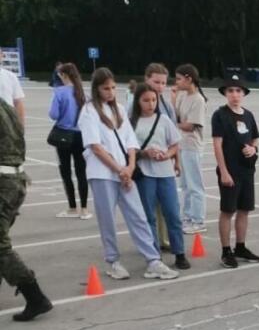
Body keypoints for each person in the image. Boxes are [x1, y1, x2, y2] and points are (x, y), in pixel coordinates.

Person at [78, 68, 178, 281]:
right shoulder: (89, 111)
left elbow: (130, 142)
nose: (111, 92)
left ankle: (153, 260)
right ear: (96, 89)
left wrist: (130, 167)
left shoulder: (120, 110)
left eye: (113, 87)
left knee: (138, 215)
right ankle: (113, 261)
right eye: (106, 88)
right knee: (108, 219)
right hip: (102, 173)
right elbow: (95, 146)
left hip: (124, 172)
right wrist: (119, 168)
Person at [0, 97, 53, 321]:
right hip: (14, 178)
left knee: (0, 246)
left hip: (3, 181)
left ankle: (35, 297)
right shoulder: (5, 105)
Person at [129, 82, 189, 270]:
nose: (150, 104)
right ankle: (154, 255)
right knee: (149, 216)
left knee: (172, 213)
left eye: (153, 100)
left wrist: (168, 156)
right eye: (146, 100)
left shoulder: (163, 120)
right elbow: (128, 150)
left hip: (165, 173)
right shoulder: (131, 123)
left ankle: (179, 253)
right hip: (144, 174)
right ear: (138, 101)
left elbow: (174, 144)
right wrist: (144, 153)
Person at [211, 74, 259, 268]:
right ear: (225, 93)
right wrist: (223, 171)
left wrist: (253, 148)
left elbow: (255, 138)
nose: (234, 94)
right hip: (230, 170)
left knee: (244, 210)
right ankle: (226, 250)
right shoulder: (220, 115)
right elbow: (217, 144)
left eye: (238, 91)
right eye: (231, 91)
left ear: (243, 94)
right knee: (227, 210)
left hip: (246, 170)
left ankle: (240, 246)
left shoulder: (248, 115)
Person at [48, 62, 91, 219]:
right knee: (81, 173)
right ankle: (85, 209)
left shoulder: (59, 92)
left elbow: (53, 114)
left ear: (63, 75)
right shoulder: (84, 93)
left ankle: (72, 207)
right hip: (81, 136)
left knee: (66, 172)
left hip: (64, 136)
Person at [174, 63, 208, 235]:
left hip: (192, 146)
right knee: (185, 185)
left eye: (179, 79)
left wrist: (175, 125)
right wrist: (173, 99)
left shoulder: (198, 100)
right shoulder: (182, 96)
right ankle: (187, 217)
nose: (177, 82)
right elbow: (177, 115)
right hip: (182, 145)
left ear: (189, 78)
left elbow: (189, 126)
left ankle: (198, 220)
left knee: (195, 185)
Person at [0, 51, 24, 124]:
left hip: (7, 124)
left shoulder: (11, 76)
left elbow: (18, 103)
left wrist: (21, 127)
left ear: (2, 56)